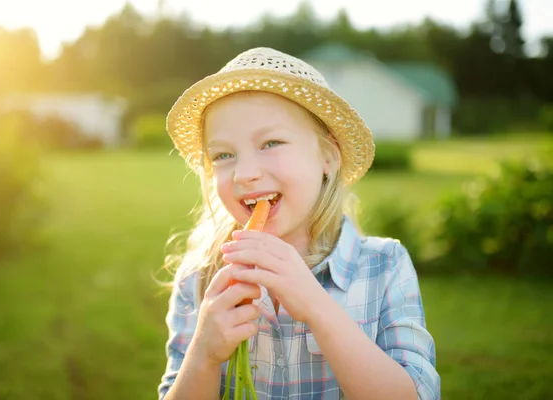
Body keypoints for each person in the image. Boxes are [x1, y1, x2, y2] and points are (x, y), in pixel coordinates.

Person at [157, 47, 440, 400]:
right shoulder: (200, 279)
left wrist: (316, 306)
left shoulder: (383, 266)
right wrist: (204, 355)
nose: (245, 174)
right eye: (223, 155)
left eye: (271, 143)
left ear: (328, 157)